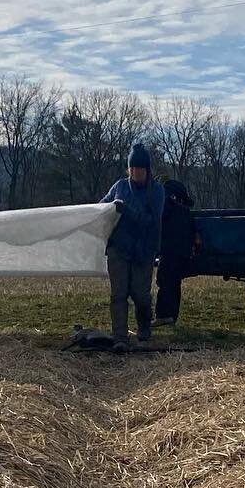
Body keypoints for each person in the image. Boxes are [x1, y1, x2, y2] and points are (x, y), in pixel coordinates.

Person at [101, 141, 165, 349]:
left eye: (139, 168)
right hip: (118, 248)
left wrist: (128, 211)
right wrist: (106, 209)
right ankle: (120, 336)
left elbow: (152, 221)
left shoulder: (156, 191)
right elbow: (101, 207)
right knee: (118, 294)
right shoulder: (119, 187)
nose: (135, 172)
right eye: (132, 168)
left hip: (143, 250)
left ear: (147, 170)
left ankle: (144, 327)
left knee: (140, 295)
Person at [154, 179, 196, 327]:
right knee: (174, 283)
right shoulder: (184, 210)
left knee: (164, 281)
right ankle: (172, 315)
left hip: (170, 247)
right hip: (182, 249)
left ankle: (163, 315)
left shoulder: (166, 202)